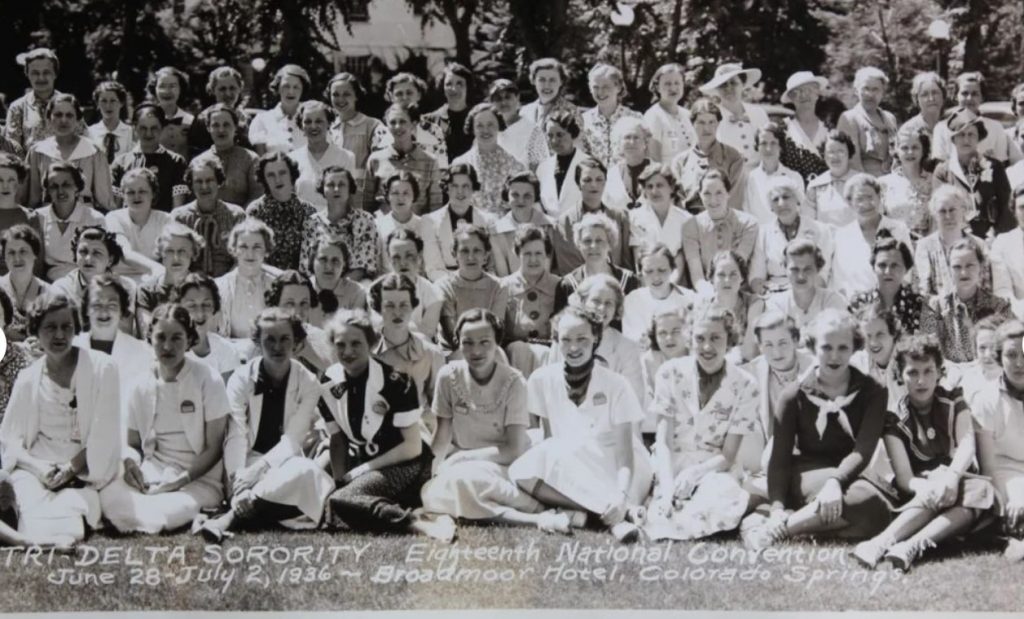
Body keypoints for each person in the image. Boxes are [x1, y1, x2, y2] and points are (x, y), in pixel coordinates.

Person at [742, 309, 892, 549]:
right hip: (805, 473)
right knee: (862, 504)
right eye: (826, 347)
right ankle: (782, 523)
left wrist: (835, 481)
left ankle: (782, 528)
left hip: (848, 474)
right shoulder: (793, 395)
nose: (834, 356)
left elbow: (863, 451)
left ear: (855, 348)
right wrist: (778, 505)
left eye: (843, 348)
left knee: (875, 507)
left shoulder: (873, 391)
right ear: (812, 348)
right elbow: (779, 459)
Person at [509, 304, 652, 542]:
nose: (573, 347)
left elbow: (626, 454)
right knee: (521, 470)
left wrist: (622, 494)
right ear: (556, 340)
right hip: (575, 458)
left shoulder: (616, 384)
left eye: (582, 339)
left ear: (596, 337)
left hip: (620, 465)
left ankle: (609, 509)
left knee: (569, 461)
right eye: (566, 340)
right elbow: (549, 441)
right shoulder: (541, 379)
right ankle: (608, 515)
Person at [851, 334, 993, 571]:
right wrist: (925, 487)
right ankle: (879, 543)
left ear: (939, 371)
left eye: (928, 371)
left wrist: (951, 477)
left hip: (959, 482)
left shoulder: (954, 400)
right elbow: (905, 477)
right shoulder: (894, 418)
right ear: (899, 375)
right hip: (921, 495)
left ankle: (911, 547)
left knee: (981, 490)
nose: (921, 381)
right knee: (936, 490)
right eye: (912, 373)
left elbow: (967, 444)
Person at [422, 309, 570, 532]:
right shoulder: (447, 375)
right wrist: (428, 472)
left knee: (464, 482)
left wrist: (463, 458)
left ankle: (534, 512)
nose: (476, 350)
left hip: (505, 464)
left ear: (497, 343)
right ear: (458, 344)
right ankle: (539, 518)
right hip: (461, 463)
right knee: (431, 491)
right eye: (467, 342)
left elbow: (514, 450)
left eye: (484, 342)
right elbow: (442, 436)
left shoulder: (514, 382)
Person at [194, 309, 334, 541]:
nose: (277, 346)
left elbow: (293, 439)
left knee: (306, 469)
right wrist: (238, 480)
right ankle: (250, 506)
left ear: (297, 343)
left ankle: (229, 518)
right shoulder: (241, 378)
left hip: (284, 465)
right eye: (269, 339)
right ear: (257, 342)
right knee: (299, 490)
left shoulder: (308, 382)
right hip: (244, 464)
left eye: (284, 339)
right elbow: (235, 434)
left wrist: (257, 473)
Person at [320, 310, 455, 541]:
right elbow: (338, 439)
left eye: (356, 344)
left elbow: (411, 447)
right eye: (340, 344)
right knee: (333, 503)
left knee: (338, 501)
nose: (348, 352)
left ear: (371, 344)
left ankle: (417, 524)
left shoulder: (396, 381)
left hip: (406, 464)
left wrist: (360, 473)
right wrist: (340, 482)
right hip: (363, 461)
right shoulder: (328, 381)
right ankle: (359, 504)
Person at [0, 293, 121, 543]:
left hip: (83, 471)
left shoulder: (103, 368)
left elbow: (104, 433)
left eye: (67, 327)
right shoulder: (28, 378)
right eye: (50, 327)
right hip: (37, 469)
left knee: (70, 527)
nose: (59, 335)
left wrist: (69, 470)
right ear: (35, 331)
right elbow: (10, 439)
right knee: (32, 513)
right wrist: (40, 469)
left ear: (77, 328)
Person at [99, 304, 230, 533]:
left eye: (177, 338)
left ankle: (147, 517)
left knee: (159, 511)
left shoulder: (208, 379)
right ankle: (137, 514)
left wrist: (180, 481)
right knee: (108, 494)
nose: (168, 346)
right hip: (153, 473)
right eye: (160, 337)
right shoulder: (140, 384)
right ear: (150, 338)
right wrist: (131, 463)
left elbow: (214, 447)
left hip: (198, 480)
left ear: (189, 340)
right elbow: (133, 445)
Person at [646, 305, 760, 540]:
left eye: (716, 338)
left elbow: (729, 454)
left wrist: (696, 473)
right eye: (700, 338)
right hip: (672, 463)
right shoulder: (669, 373)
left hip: (714, 467)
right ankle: (669, 510)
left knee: (721, 496)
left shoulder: (746, 384)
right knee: (664, 508)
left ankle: (687, 519)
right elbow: (663, 442)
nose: (707, 347)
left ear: (729, 340)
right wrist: (668, 489)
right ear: (689, 338)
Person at [736, 312, 816, 476]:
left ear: (795, 341)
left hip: (812, 453)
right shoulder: (750, 375)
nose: (776, 352)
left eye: (783, 343)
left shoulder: (816, 367)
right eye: (768, 345)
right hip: (767, 459)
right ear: (759, 346)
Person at [972, 320, 1024, 557]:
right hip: (1007, 472)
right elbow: (989, 466)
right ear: (999, 357)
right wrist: (1009, 499)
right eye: (1011, 355)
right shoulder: (986, 399)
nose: (1019, 363)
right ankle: (1009, 533)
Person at [921, 239, 1012, 363]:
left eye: (970, 265)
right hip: (950, 377)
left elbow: (1009, 349)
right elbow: (929, 353)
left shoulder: (1000, 307)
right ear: (949, 269)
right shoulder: (933, 306)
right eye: (957, 267)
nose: (963, 272)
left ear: (981, 266)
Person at [73, 274, 152, 412]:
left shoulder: (143, 353)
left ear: (122, 310)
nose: (104, 311)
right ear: (86, 309)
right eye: (97, 304)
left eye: (112, 304)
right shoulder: (70, 349)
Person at [369, 273, 444, 417]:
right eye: (389, 305)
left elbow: (437, 407)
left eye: (404, 305)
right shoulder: (365, 351)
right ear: (378, 308)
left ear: (413, 306)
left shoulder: (430, 354)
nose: (397, 312)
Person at [932, 107, 1013, 239]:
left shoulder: (994, 166)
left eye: (971, 134)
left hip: (992, 238)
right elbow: (939, 210)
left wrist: (998, 236)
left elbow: (1006, 207)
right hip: (957, 239)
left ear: (978, 138)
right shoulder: (943, 171)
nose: (966, 140)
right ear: (953, 139)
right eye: (961, 134)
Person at [25, 94, 113, 211]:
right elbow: (33, 198)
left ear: (77, 120)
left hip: (84, 215)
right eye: (58, 115)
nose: (64, 120)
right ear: (49, 118)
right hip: (48, 215)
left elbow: (104, 199)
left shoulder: (94, 151)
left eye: (69, 115)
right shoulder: (37, 151)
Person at [830, 174, 912, 298]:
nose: (866, 203)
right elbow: (839, 280)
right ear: (850, 203)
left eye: (870, 197)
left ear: (879, 197)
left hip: (893, 302)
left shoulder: (898, 229)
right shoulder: (842, 235)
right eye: (859, 199)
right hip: (855, 305)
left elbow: (908, 271)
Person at [50, 226, 139, 336]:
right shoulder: (62, 288)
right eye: (83, 251)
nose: (88, 258)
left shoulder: (126, 286)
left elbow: (124, 331)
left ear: (110, 260)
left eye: (97, 253)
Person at [751, 176, 834, 293]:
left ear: (797, 199)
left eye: (786, 197)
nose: (781, 203)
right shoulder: (763, 233)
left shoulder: (820, 229)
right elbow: (756, 277)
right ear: (770, 207)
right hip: (774, 295)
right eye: (775, 199)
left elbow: (822, 275)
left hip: (810, 293)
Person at [680, 170, 759, 290]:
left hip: (739, 289)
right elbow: (697, 276)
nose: (713, 200)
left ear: (728, 193)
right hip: (707, 291)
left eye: (719, 193)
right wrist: (708, 293)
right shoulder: (690, 226)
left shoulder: (748, 224)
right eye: (707, 193)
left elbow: (737, 268)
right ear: (700, 195)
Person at [169, 156, 247, 277]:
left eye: (209, 180)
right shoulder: (179, 218)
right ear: (191, 184)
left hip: (229, 283)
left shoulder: (236, 215)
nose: (204, 187)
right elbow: (174, 259)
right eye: (198, 181)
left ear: (218, 182)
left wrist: (225, 283)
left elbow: (242, 259)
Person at [300, 166, 381, 283]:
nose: (336, 189)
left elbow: (362, 267)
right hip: (319, 287)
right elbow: (306, 266)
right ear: (322, 189)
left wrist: (337, 289)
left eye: (342, 184)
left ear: (350, 189)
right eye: (330, 185)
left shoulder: (365, 220)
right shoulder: (311, 223)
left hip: (354, 286)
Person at [436, 225, 509, 353]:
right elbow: (451, 334)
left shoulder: (499, 287)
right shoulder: (443, 286)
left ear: (486, 255)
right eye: (464, 251)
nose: (471, 257)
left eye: (477, 250)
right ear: (454, 254)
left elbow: (496, 332)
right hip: (453, 352)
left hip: (487, 351)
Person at [554, 213, 640, 320]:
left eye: (599, 241)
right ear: (578, 245)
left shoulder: (629, 281)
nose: (593, 246)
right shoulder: (567, 285)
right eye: (587, 241)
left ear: (609, 244)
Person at [502, 225, 561, 377]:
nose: (533, 259)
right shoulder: (504, 287)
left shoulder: (560, 286)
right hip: (514, 359)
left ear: (547, 255)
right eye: (527, 254)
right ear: (517, 254)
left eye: (538, 253)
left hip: (551, 358)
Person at [363, 104, 444, 215]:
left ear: (413, 125)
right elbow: (367, 205)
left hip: (418, 227)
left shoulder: (430, 161)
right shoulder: (375, 159)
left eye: (402, 122)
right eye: (392, 122)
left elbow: (435, 207)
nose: (397, 127)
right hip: (384, 227)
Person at [555, 156, 632, 272]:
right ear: (578, 184)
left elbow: (626, 262)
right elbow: (567, 266)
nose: (594, 185)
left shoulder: (619, 217)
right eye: (587, 180)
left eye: (599, 179)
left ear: (605, 182)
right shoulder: (564, 222)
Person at [246, 151, 318, 270]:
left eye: (282, 173)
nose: (277, 179)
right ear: (264, 179)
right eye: (271, 175)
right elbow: (251, 254)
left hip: (299, 281)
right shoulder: (255, 211)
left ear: (291, 174)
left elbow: (312, 256)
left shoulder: (308, 211)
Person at [915, 185, 991, 297]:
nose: (948, 216)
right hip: (938, 310)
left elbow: (986, 285)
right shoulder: (924, 247)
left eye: (952, 210)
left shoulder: (979, 245)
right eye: (942, 211)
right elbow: (924, 290)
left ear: (963, 211)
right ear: (934, 215)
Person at [932, 72, 1023, 165]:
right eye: (964, 93)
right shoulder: (942, 128)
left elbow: (1001, 165)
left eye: (975, 94)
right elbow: (940, 165)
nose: (969, 98)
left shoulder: (996, 128)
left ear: (982, 97)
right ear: (956, 96)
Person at [111, 104, 189, 212]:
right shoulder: (121, 162)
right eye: (143, 128)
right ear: (134, 128)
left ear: (162, 128)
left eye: (154, 128)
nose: (148, 133)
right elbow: (115, 208)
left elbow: (178, 209)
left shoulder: (176, 161)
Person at [671, 98, 745, 212]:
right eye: (701, 122)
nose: (706, 128)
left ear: (718, 123)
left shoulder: (733, 157)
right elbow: (676, 202)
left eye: (711, 122)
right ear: (692, 124)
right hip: (689, 223)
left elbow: (734, 200)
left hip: (723, 221)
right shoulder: (680, 162)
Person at [451, 103, 525, 216]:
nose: (485, 130)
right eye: (479, 125)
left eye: (490, 124)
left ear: (498, 126)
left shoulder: (515, 165)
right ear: (472, 129)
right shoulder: (460, 164)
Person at [691, 251, 764, 362]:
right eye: (721, 275)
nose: (727, 280)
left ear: (742, 278)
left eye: (733, 274)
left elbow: (750, 352)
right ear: (712, 279)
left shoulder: (754, 304)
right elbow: (697, 350)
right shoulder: (703, 306)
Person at [325, 72, 384, 210]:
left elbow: (383, 164)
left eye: (346, 94)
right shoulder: (326, 126)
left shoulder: (373, 125)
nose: (340, 99)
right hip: (330, 196)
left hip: (360, 197)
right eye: (335, 94)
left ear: (356, 96)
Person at [848, 235, 929, 335]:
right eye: (882, 265)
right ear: (873, 268)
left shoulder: (920, 305)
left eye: (894, 266)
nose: (888, 271)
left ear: (906, 269)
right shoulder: (859, 303)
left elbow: (931, 344)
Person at [36, 164, 106, 280]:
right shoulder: (39, 217)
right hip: (49, 284)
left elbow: (102, 261)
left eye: (66, 185)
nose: (60, 191)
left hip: (86, 281)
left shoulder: (94, 219)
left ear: (77, 187)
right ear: (47, 190)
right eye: (54, 186)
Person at [371, 229, 442, 339]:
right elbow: (376, 328)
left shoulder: (433, 292)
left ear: (419, 257)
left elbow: (427, 333)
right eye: (396, 257)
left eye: (409, 256)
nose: (403, 262)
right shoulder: (375, 289)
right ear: (389, 260)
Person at [425, 163, 494, 276]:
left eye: (465, 186)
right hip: (447, 286)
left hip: (482, 283)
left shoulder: (489, 220)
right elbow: (434, 269)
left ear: (473, 188)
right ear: (446, 188)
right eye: (454, 186)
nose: (460, 191)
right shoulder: (430, 221)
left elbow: (492, 266)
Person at [490, 171, 562, 278]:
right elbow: (503, 276)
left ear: (535, 197)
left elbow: (551, 268)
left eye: (527, 196)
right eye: (515, 195)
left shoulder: (551, 226)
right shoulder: (496, 231)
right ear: (507, 195)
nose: (521, 200)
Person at [216, 218, 279, 339]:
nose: (250, 254)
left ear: (266, 250)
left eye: (257, 247)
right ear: (234, 250)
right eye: (243, 247)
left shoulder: (278, 284)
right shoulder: (219, 286)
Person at [135, 223, 205, 331]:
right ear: (161, 254)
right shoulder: (146, 291)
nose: (176, 257)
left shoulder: (203, 289)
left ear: (193, 254)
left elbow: (203, 332)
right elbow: (146, 332)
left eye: (182, 251)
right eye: (169, 251)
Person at [765, 239, 847, 331]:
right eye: (794, 269)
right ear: (785, 269)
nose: (801, 276)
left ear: (818, 269)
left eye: (807, 269)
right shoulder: (776, 303)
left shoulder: (832, 300)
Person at [265, 270, 335, 378]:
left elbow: (339, 373)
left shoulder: (321, 338)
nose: (297, 312)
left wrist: (305, 349)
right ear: (275, 304)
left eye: (304, 303)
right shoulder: (262, 338)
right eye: (289, 303)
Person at [375, 171, 444, 280]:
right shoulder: (378, 225)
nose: (400, 198)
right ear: (388, 196)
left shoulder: (425, 225)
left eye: (406, 193)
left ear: (414, 196)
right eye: (395, 193)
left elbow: (431, 265)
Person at [288, 100, 355, 212]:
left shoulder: (346, 157)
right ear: (301, 126)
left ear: (329, 123)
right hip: (301, 223)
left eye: (319, 121)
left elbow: (351, 201)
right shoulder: (291, 159)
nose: (313, 126)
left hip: (335, 224)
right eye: (308, 122)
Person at [105, 168, 171, 280]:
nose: (136, 196)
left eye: (142, 191)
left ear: (153, 194)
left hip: (154, 278)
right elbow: (124, 253)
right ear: (123, 196)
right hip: (119, 279)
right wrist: (157, 269)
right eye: (130, 192)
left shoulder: (165, 219)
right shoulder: (113, 218)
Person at [622, 243, 694, 344]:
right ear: (640, 272)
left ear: (672, 269)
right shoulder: (632, 300)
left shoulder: (690, 299)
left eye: (662, 270)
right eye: (649, 271)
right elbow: (632, 341)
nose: (656, 277)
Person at [519, 58, 584, 170]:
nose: (547, 85)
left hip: (559, 172)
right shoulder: (525, 111)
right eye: (542, 80)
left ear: (561, 82)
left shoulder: (571, 112)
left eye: (552, 80)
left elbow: (578, 148)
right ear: (533, 81)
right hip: (530, 176)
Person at [699, 62, 769, 166]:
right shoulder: (710, 118)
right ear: (717, 89)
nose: (728, 88)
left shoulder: (758, 112)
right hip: (728, 177)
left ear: (742, 85)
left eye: (733, 83)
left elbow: (771, 146)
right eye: (723, 85)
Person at [371, 72, 448, 166]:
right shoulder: (381, 133)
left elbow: (441, 168)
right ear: (391, 97)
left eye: (409, 93)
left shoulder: (434, 131)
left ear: (419, 95)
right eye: (399, 94)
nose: (404, 97)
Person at [196, 103, 262, 207]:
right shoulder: (198, 162)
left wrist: (240, 219)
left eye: (226, 124)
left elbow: (257, 197)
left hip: (244, 220)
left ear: (235, 127)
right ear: (208, 128)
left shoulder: (250, 159)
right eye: (215, 125)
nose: (221, 130)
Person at [178, 273, 242, 378]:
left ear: (214, 308)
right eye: (192, 306)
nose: (200, 313)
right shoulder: (169, 349)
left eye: (206, 305)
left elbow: (227, 393)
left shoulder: (226, 351)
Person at [627, 163, 692, 268]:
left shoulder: (686, 220)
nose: (654, 191)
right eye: (649, 186)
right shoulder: (634, 218)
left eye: (659, 185)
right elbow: (638, 263)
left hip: (678, 280)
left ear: (671, 188)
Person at [837, 67, 898, 177]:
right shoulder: (849, 118)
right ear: (856, 90)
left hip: (893, 181)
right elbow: (852, 163)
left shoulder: (890, 118)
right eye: (865, 88)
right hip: (864, 184)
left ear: (882, 92)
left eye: (875, 89)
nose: (870, 94)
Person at [639, 306, 690, 436]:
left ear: (688, 332)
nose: (669, 338)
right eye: (662, 333)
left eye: (676, 331)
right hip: (659, 429)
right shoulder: (649, 360)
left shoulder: (698, 357)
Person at [581, 63, 641, 168]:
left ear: (618, 87)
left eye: (606, 87)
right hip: (595, 182)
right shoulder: (583, 120)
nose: (600, 92)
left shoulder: (634, 118)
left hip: (626, 181)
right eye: (596, 87)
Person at [880, 125, 935, 239]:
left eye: (915, 147)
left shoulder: (934, 181)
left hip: (928, 246)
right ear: (896, 150)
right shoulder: (884, 183)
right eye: (904, 148)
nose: (910, 152)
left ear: (923, 149)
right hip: (896, 247)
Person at [743, 122, 804, 225]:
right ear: (757, 147)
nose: (768, 149)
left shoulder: (794, 177)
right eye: (763, 143)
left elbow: (801, 212)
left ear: (780, 147)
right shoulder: (750, 179)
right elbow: (747, 213)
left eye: (773, 143)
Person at [5, 48, 63, 153]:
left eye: (46, 72)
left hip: (64, 167)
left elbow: (82, 142)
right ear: (27, 74)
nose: (41, 78)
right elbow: (12, 151)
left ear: (55, 74)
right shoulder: (17, 108)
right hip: (29, 168)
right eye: (35, 73)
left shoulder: (68, 104)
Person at [187, 66, 252, 158]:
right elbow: (197, 154)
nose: (228, 94)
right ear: (213, 90)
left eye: (232, 88)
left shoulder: (246, 118)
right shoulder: (203, 119)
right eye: (222, 89)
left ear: (239, 89)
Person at [304, 234, 368, 326]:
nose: (329, 267)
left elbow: (354, 334)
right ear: (312, 261)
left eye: (335, 261)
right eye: (323, 259)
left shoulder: (357, 293)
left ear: (344, 264)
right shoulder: (301, 290)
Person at [0, 225, 50, 341]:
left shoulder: (50, 293)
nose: (17, 258)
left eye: (23, 251)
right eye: (11, 253)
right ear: (4, 257)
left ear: (35, 254)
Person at [778, 71, 829, 182]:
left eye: (808, 90)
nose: (803, 95)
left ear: (817, 93)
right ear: (791, 98)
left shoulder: (829, 128)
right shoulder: (782, 129)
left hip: (826, 194)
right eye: (797, 92)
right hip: (794, 193)